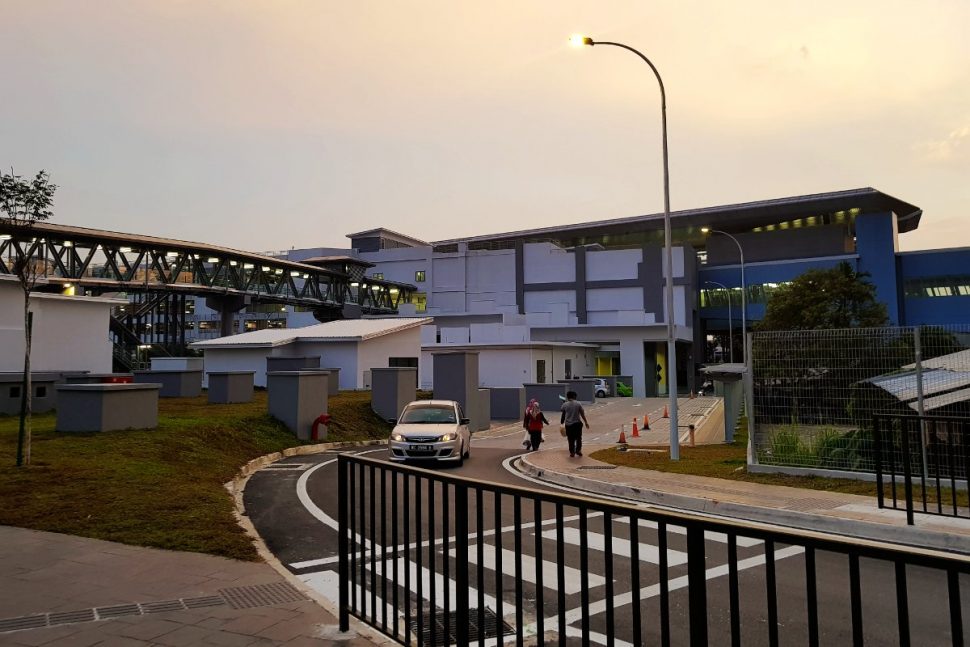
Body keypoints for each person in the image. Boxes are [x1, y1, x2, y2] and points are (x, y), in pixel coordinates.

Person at [560, 390, 590, 457]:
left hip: (568, 425)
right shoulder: (578, 404)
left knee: (570, 439)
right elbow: (582, 414)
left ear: (567, 397)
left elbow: (561, 409)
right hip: (577, 424)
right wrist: (586, 422)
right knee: (579, 438)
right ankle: (578, 450)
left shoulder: (565, 404)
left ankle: (572, 452)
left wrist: (564, 403)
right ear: (574, 396)